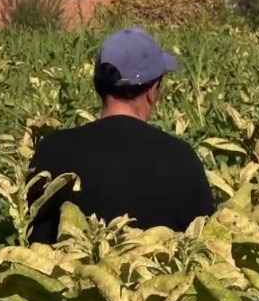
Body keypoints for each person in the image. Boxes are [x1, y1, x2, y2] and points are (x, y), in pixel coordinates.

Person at [25, 26, 216, 244]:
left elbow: (34, 242)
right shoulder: (181, 158)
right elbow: (205, 245)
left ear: (98, 86)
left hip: (73, 277)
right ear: (153, 90)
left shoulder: (53, 150)